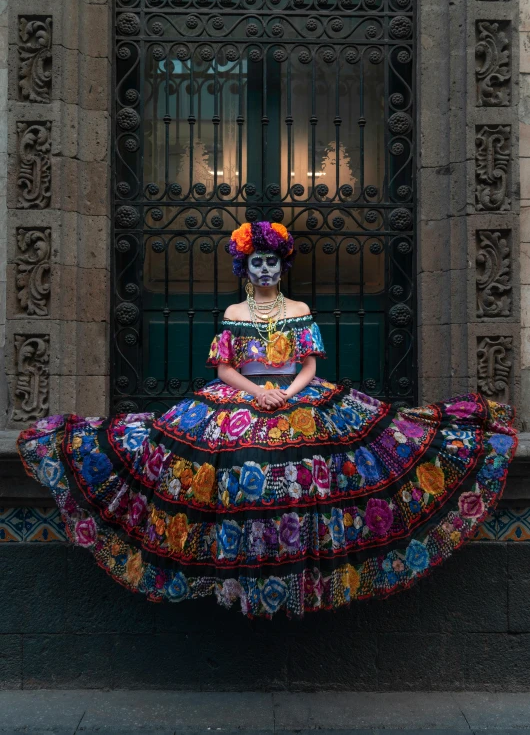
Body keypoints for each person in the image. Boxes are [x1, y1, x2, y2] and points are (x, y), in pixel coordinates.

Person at [17, 221, 518, 619]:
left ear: (281, 266)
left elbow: (309, 365)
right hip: (243, 395)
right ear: (244, 265)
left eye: (271, 262)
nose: (264, 269)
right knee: (180, 454)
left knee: (356, 457)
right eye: (256, 261)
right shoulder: (235, 313)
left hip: (297, 396)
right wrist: (258, 393)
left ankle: (304, 572)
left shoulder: (298, 308)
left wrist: (286, 396)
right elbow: (225, 367)